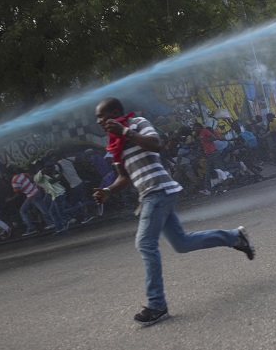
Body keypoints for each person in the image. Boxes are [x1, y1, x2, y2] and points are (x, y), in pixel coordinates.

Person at [93, 97, 256, 327]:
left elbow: (155, 143)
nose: (99, 121)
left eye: (102, 116)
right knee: (181, 243)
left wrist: (126, 131)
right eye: (97, 118)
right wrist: (108, 190)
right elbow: (124, 176)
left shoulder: (137, 123)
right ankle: (235, 237)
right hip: (149, 194)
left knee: (145, 243)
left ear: (116, 112)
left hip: (159, 190)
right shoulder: (114, 143)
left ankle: (157, 305)